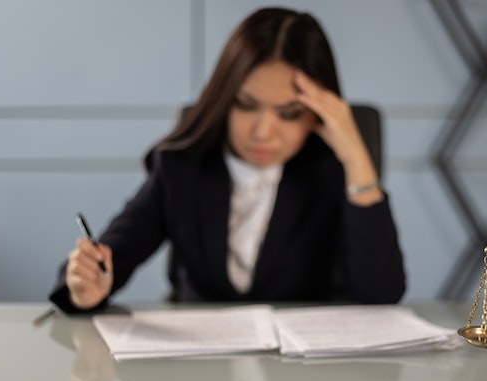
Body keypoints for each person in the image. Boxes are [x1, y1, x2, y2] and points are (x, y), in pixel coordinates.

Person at [50, 7, 405, 313]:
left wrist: (356, 158)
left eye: (289, 113)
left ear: (317, 114)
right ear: (223, 98)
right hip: (203, 372)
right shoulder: (180, 167)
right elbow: (108, 262)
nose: (263, 132)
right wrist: (86, 290)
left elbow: (381, 295)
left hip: (304, 378)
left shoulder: (331, 172)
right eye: (246, 105)